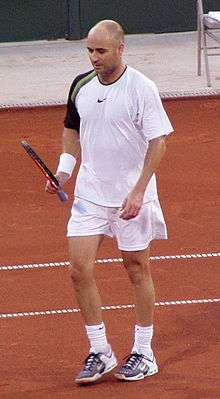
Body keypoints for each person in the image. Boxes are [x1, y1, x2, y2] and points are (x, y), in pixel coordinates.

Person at [46, 19, 173, 384]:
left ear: (120, 49)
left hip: (132, 197)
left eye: (100, 51)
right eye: (89, 50)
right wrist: (65, 171)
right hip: (90, 195)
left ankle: (144, 352)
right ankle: (100, 350)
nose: (93, 57)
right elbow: (72, 129)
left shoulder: (141, 88)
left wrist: (138, 191)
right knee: (78, 269)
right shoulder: (81, 85)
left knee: (136, 268)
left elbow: (158, 141)